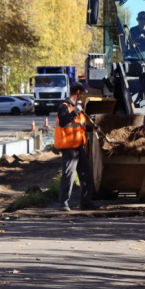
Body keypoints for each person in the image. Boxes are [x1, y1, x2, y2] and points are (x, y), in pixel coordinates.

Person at [54, 82, 97, 211]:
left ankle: (86, 202)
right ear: (78, 92)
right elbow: (64, 121)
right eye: (82, 93)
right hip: (69, 148)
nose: (82, 95)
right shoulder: (64, 106)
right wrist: (75, 112)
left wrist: (91, 128)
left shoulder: (76, 107)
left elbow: (79, 125)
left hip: (78, 146)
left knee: (86, 174)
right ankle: (63, 203)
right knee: (68, 175)